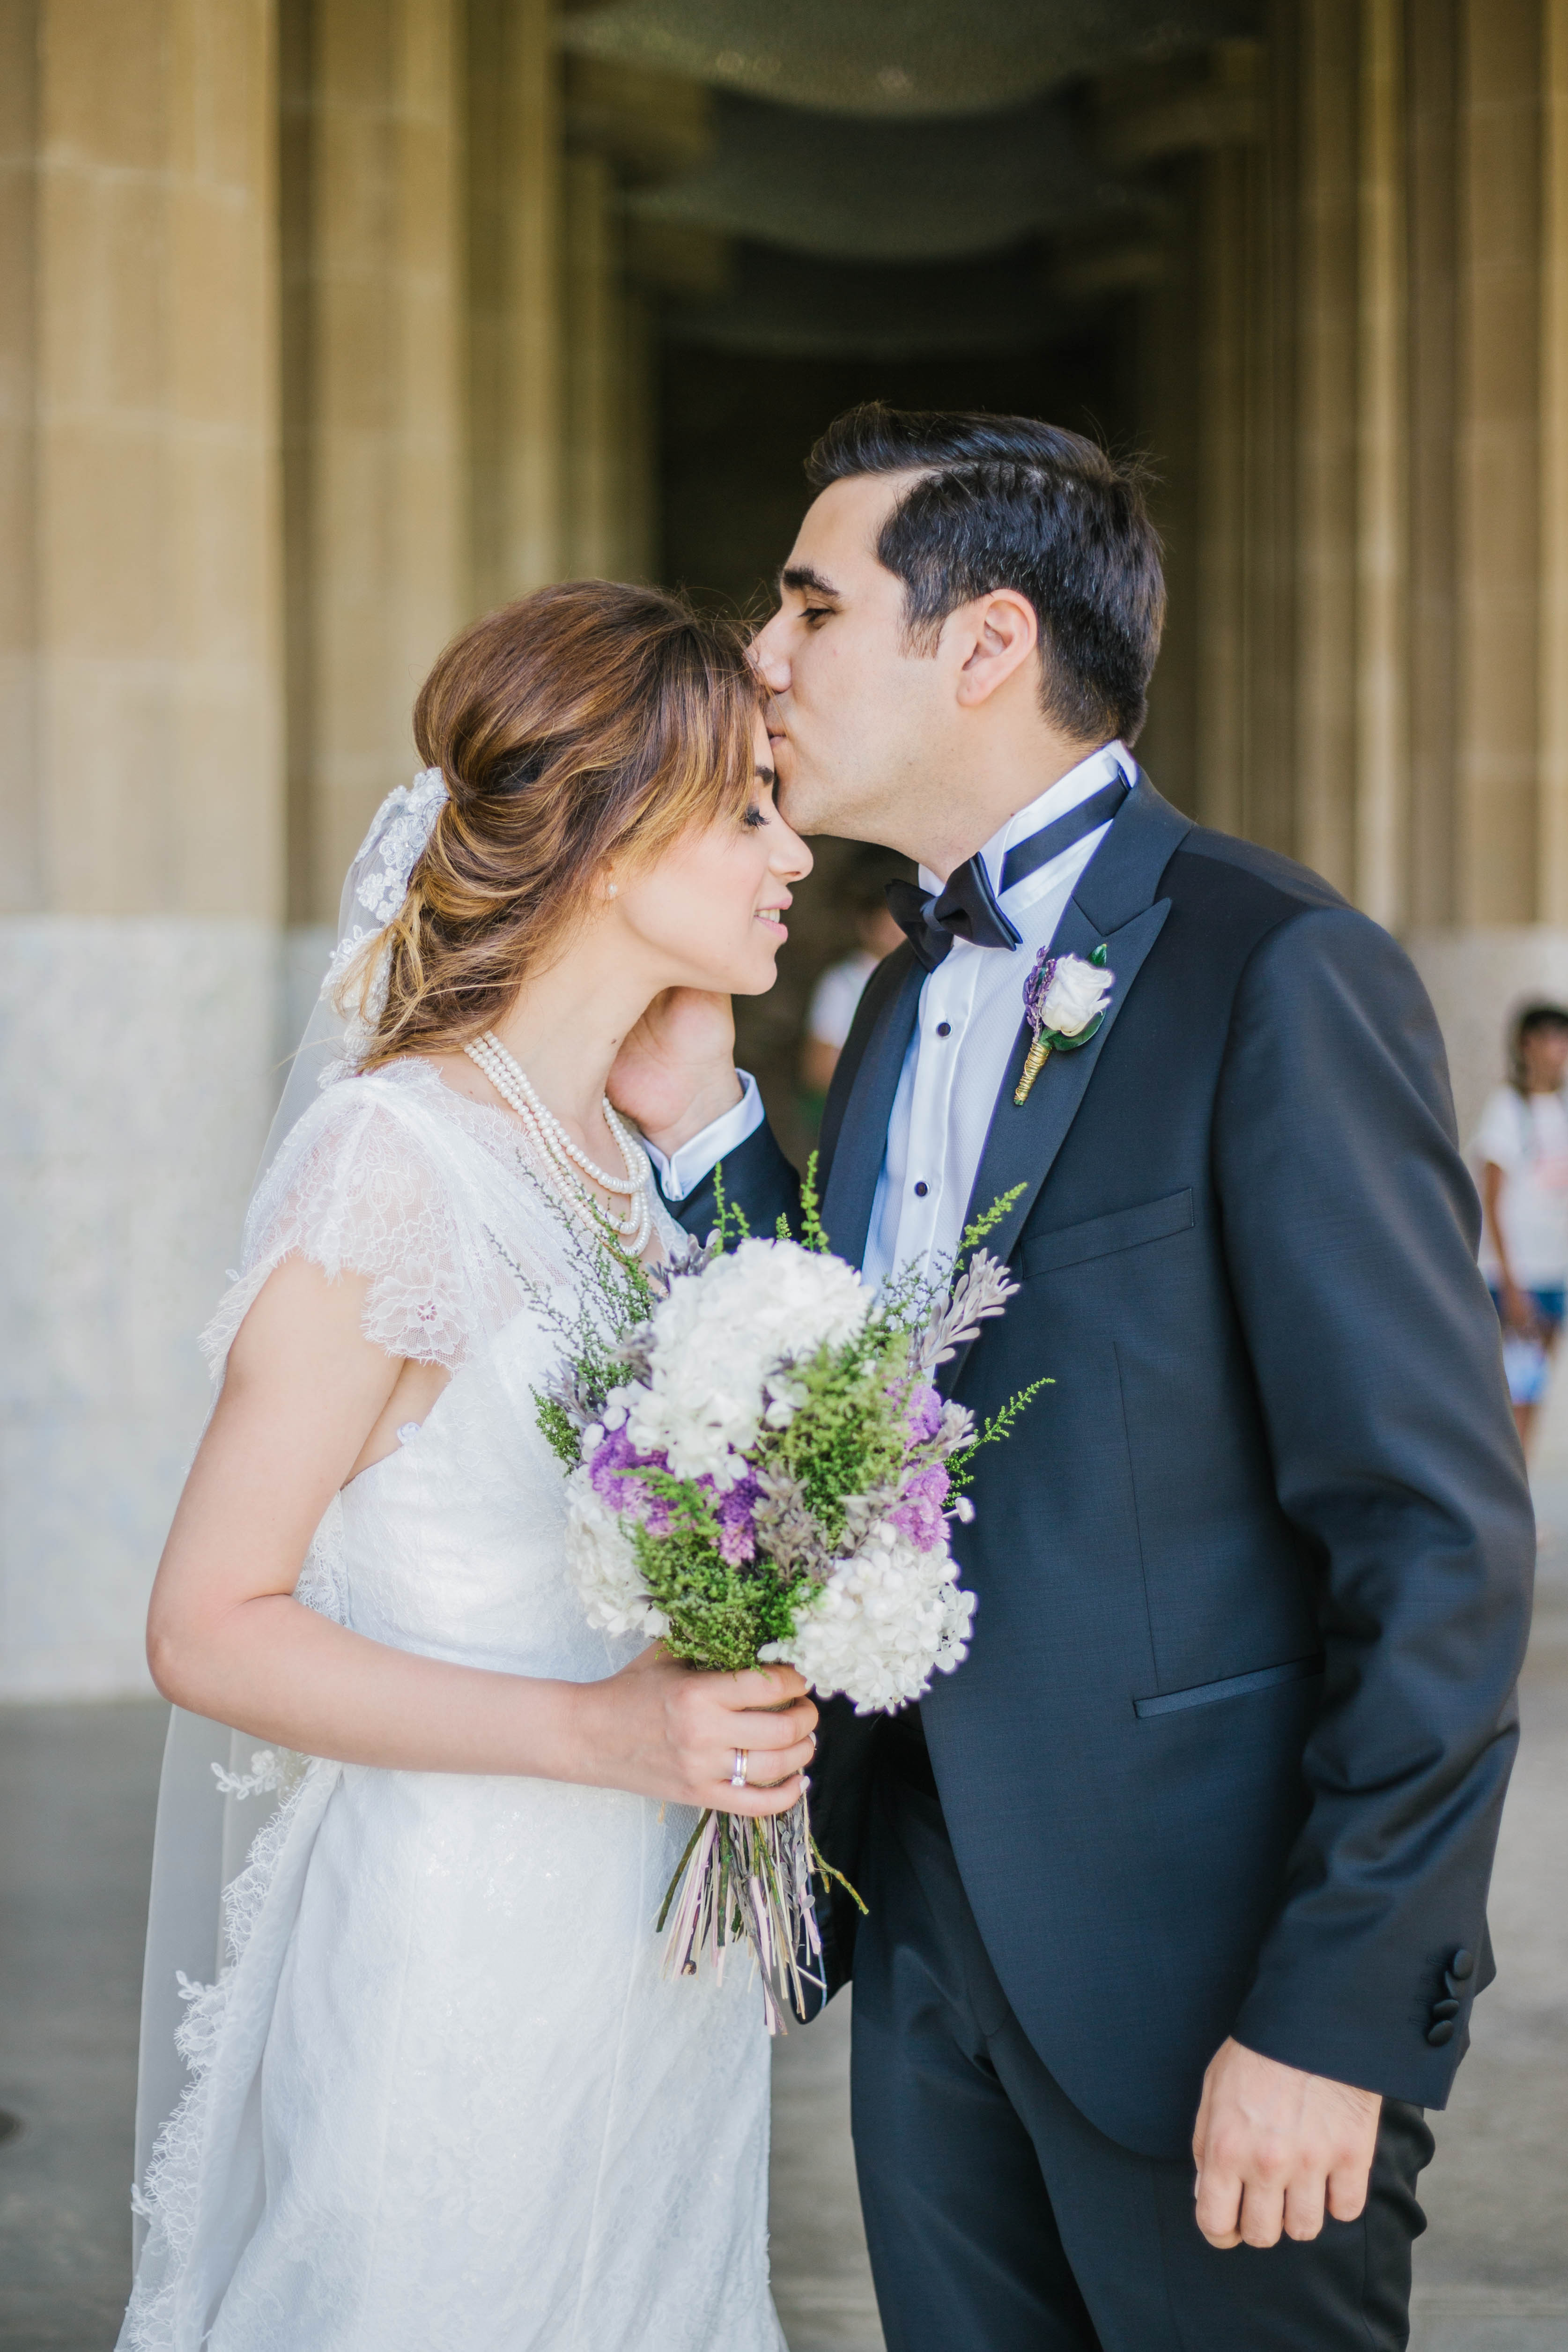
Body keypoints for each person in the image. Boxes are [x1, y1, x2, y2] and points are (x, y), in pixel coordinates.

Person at [610, 406, 1536, 2352]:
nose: (760, 657)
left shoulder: (1274, 968)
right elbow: (866, 1376)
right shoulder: (885, 1010)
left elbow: (1434, 1539)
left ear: (985, 643)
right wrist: (701, 1128)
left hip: (1210, 1979)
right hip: (929, 1929)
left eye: (807, 603)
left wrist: (1332, 2011)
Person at [118, 582, 817, 2352]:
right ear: (600, 837)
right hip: (460, 1965)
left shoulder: (623, 1162)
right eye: (744, 806)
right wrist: (600, 1732)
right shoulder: (394, 1159)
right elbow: (209, 1624)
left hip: (649, 1982)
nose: (790, 850)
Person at [1473, 1000, 1568, 1451]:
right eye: (1552, 1036)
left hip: (1554, 1273)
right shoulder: (1507, 1108)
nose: (1561, 1048)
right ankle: (1504, 1512)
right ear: (1526, 1044)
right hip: (1517, 1278)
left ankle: (1519, 1508)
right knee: (1512, 1395)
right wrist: (1511, 1284)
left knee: (1535, 1392)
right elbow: (1491, 1200)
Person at [799, 845, 910, 1101]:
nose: (903, 935)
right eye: (891, 928)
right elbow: (819, 1068)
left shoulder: (921, 974)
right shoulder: (844, 981)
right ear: (867, 926)